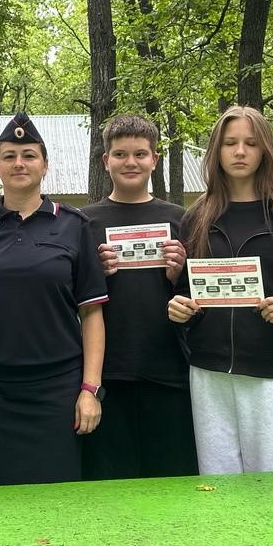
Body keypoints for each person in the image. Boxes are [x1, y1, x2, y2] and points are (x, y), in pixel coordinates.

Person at [0, 112, 109, 485]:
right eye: (9, 156)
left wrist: (90, 390)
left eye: (29, 155)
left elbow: (92, 313)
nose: (19, 163)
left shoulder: (75, 225)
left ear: (45, 165)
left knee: (58, 496)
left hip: (58, 388)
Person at [167, 105, 273, 474]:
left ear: (265, 150)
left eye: (250, 143)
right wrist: (181, 309)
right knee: (219, 489)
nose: (239, 152)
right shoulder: (197, 216)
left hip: (272, 374)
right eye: (230, 143)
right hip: (209, 374)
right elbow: (188, 289)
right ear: (216, 150)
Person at [82, 114, 196, 479]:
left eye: (140, 154)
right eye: (120, 154)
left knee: (171, 483)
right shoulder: (85, 222)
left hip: (169, 373)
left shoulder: (180, 219)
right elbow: (70, 296)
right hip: (108, 375)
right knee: (110, 486)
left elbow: (197, 298)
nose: (130, 162)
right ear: (106, 161)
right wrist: (94, 274)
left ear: (154, 159)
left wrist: (179, 275)